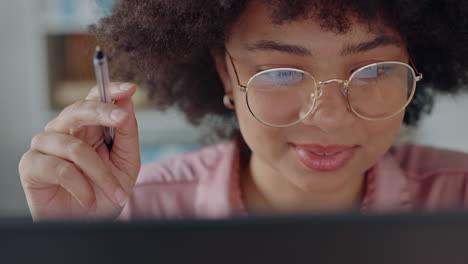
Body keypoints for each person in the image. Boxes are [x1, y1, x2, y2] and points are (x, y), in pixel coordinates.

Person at [18, 0, 468, 221]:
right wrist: (73, 245)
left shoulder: (459, 199)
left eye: (372, 70)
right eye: (282, 72)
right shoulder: (136, 210)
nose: (329, 117)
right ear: (224, 72)